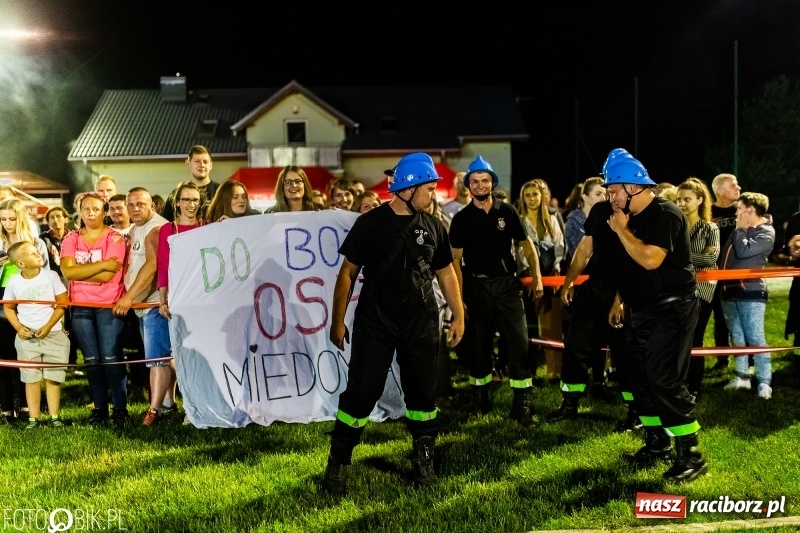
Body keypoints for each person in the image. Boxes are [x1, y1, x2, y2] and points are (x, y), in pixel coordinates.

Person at [322, 152, 465, 495]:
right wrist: (337, 320)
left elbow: (446, 272)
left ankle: (424, 458)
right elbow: (347, 273)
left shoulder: (433, 226)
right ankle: (338, 462)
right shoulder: (370, 224)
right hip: (376, 321)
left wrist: (459, 314)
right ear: (408, 188)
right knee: (362, 392)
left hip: (422, 320)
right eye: (429, 189)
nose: (434, 195)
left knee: (422, 392)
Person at [603, 148, 706, 482]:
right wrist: (620, 300)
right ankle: (657, 442)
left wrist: (621, 230)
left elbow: (649, 259)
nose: (611, 197)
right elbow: (628, 266)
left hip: (672, 308)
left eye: (614, 190)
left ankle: (690, 455)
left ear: (633, 187)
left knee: (663, 377)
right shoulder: (626, 218)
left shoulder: (666, 214)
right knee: (639, 378)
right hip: (639, 309)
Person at [448, 155, 543, 423]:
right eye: (475, 181)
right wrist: (459, 296)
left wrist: (536, 275)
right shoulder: (462, 219)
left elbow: (526, 244)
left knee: (519, 342)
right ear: (468, 185)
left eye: (485, 180)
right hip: (476, 286)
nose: (480, 185)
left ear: (492, 183)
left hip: (506, 285)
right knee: (479, 346)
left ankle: (522, 403)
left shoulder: (507, 212)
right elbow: (455, 260)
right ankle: (481, 400)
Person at [60, 192, 129, 426]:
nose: (91, 213)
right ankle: (99, 408)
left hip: (107, 305)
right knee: (91, 360)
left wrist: (83, 269)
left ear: (105, 211)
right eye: (86, 209)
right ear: (79, 211)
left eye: (96, 209)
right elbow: (68, 272)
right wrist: (102, 264)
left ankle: (120, 408)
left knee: (111, 358)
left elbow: (110, 276)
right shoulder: (71, 238)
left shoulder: (115, 238)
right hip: (80, 306)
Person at [112, 188, 171, 426]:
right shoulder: (137, 228)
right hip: (143, 305)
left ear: (152, 206)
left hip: (153, 303)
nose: (135, 209)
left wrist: (129, 297)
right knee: (162, 356)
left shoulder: (156, 229)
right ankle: (168, 404)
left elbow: (152, 267)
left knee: (157, 360)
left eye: (141, 204)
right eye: (131, 204)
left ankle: (154, 411)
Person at [3, 241, 70, 429]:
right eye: (32, 253)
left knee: (53, 377)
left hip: (54, 334)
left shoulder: (51, 276)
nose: (38, 253)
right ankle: (34, 418)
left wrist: (49, 326)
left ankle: (54, 416)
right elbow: (8, 307)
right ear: (21, 264)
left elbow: (63, 303)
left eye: (36, 250)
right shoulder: (14, 282)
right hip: (27, 339)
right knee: (30, 378)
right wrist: (18, 328)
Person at [156, 182, 206, 421]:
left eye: (195, 200)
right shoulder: (168, 230)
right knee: (182, 354)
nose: (190, 204)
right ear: (177, 202)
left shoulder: (207, 226)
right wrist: (162, 297)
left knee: (203, 353)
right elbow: (163, 266)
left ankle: (203, 402)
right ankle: (189, 406)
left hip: (204, 298)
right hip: (178, 297)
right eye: (186, 199)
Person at [0, 198, 50, 422]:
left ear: (21, 218)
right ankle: (6, 406)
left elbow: (46, 271)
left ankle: (28, 405)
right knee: (4, 354)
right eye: (2, 219)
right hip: (2, 299)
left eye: (12, 219)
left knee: (26, 353)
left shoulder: (35, 243)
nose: (7, 224)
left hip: (27, 299)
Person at [720, 192, 775, 399]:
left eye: (739, 209)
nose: (736, 213)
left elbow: (743, 252)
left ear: (750, 210)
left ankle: (764, 382)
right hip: (728, 291)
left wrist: (740, 230)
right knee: (738, 338)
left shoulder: (766, 232)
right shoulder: (740, 229)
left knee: (756, 338)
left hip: (750, 292)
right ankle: (742, 378)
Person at [516, 179, 565, 383]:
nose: (532, 199)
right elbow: (517, 250)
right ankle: (530, 371)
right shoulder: (518, 220)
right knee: (529, 325)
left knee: (552, 325)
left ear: (541, 196)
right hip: (527, 277)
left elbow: (560, 246)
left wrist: (555, 265)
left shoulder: (551, 218)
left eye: (535, 194)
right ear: (523, 199)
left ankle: (554, 371)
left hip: (550, 276)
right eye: (528, 195)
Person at [675, 178, 720, 401]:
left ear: (700, 200)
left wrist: (679, 257)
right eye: (679, 199)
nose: (682, 203)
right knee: (678, 338)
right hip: (677, 291)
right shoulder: (675, 227)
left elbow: (711, 258)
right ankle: (679, 384)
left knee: (695, 338)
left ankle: (694, 387)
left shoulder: (710, 227)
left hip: (702, 291)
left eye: (687, 199)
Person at [710, 173, 741, 371]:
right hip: (713, 273)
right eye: (733, 185)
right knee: (719, 317)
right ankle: (723, 358)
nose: (738, 188)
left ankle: (749, 358)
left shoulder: (742, 209)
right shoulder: (708, 212)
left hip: (737, 272)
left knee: (741, 316)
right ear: (720, 190)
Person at [162, 145, 220, 221]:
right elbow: (164, 223)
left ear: (211, 165)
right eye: (197, 161)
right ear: (188, 163)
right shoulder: (176, 194)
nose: (201, 165)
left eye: (205, 162)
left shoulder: (221, 191)